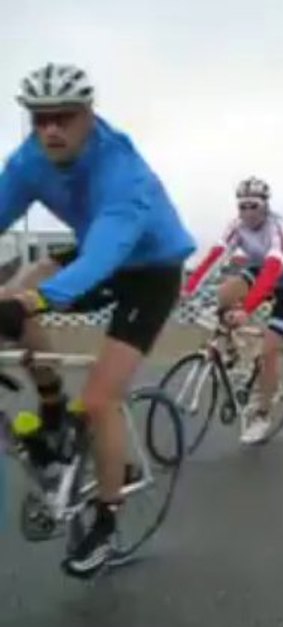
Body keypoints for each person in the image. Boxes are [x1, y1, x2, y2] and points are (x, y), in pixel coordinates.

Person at [0, 63, 196, 578]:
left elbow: (103, 255)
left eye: (63, 117)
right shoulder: (28, 161)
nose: (50, 130)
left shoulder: (122, 172)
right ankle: (51, 409)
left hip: (147, 269)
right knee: (13, 291)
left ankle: (107, 523)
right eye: (39, 119)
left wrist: (36, 302)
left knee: (100, 397)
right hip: (94, 251)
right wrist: (21, 300)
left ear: (89, 115)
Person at [183, 177, 283, 443]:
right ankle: (231, 351)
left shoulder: (279, 229)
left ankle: (262, 415)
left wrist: (247, 308)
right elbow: (215, 256)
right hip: (263, 270)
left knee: (268, 351)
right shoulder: (237, 226)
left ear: (265, 207)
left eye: (252, 206)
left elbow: (273, 269)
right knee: (224, 293)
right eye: (241, 207)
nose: (246, 213)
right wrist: (189, 288)